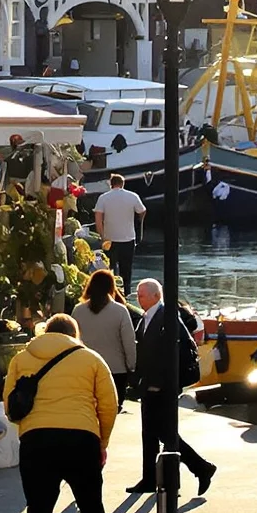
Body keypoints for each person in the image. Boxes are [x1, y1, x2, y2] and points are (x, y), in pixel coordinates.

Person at [3, 313, 119, 513]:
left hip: (36, 442)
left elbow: (9, 404)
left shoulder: (21, 358)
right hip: (81, 440)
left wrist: (30, 430)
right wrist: (101, 441)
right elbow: (109, 404)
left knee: (39, 512)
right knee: (91, 505)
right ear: (74, 334)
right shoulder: (90, 359)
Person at [129, 278, 215, 495]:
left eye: (142, 295)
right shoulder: (147, 318)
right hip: (149, 384)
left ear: (156, 296)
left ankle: (201, 467)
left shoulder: (166, 317)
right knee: (149, 433)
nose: (138, 299)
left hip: (162, 385)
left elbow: (171, 353)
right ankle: (149, 478)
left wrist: (159, 383)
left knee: (164, 432)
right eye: (137, 295)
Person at [73, 267, 138, 401]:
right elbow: (129, 342)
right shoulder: (120, 311)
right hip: (116, 370)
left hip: (86, 369)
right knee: (112, 408)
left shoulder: (78, 311)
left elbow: (72, 340)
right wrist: (131, 366)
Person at [90, 172, 145, 287]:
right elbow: (142, 211)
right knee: (127, 271)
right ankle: (126, 293)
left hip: (109, 239)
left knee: (109, 270)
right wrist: (139, 221)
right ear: (122, 184)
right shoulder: (132, 196)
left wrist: (102, 235)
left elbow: (98, 218)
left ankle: (111, 293)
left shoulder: (103, 198)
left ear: (111, 184)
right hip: (128, 238)